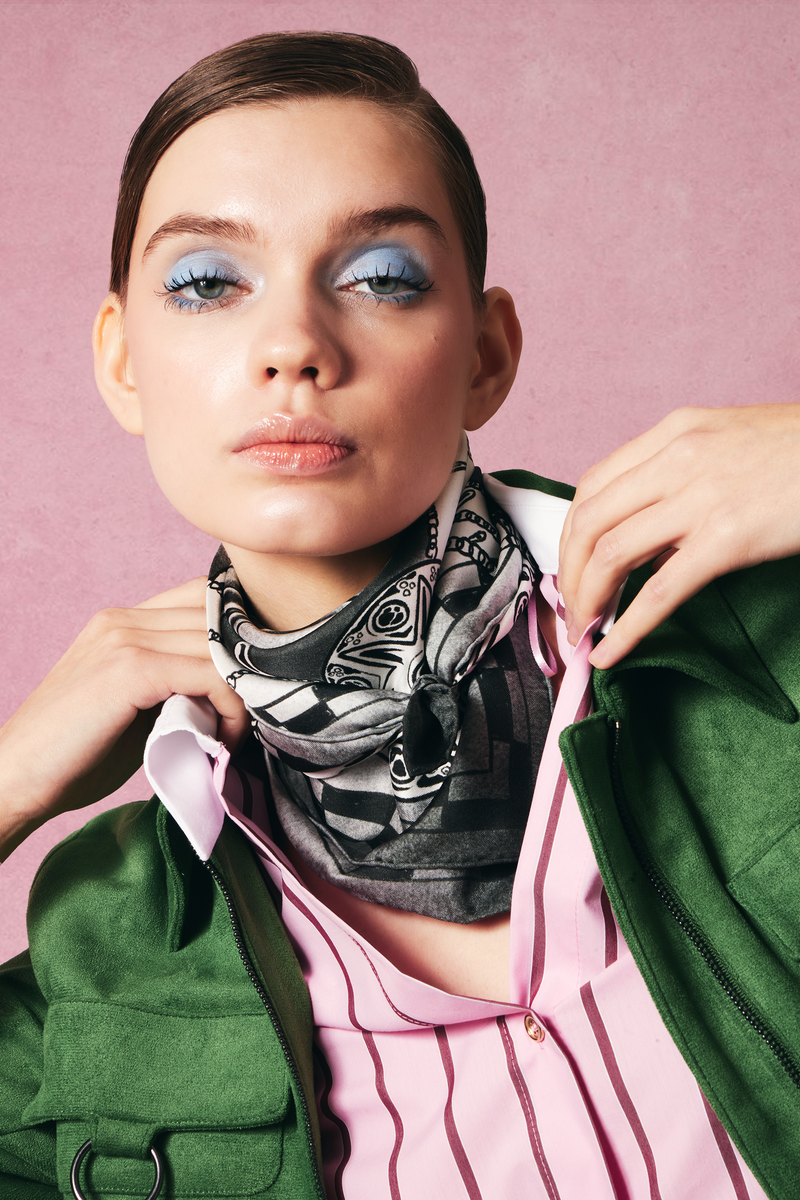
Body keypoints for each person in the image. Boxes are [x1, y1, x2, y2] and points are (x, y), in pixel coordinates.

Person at [1, 30, 799, 1200]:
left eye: (380, 276)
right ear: (122, 361)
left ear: (485, 353)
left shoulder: (757, 657)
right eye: (208, 283)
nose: (293, 347)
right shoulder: (115, 944)